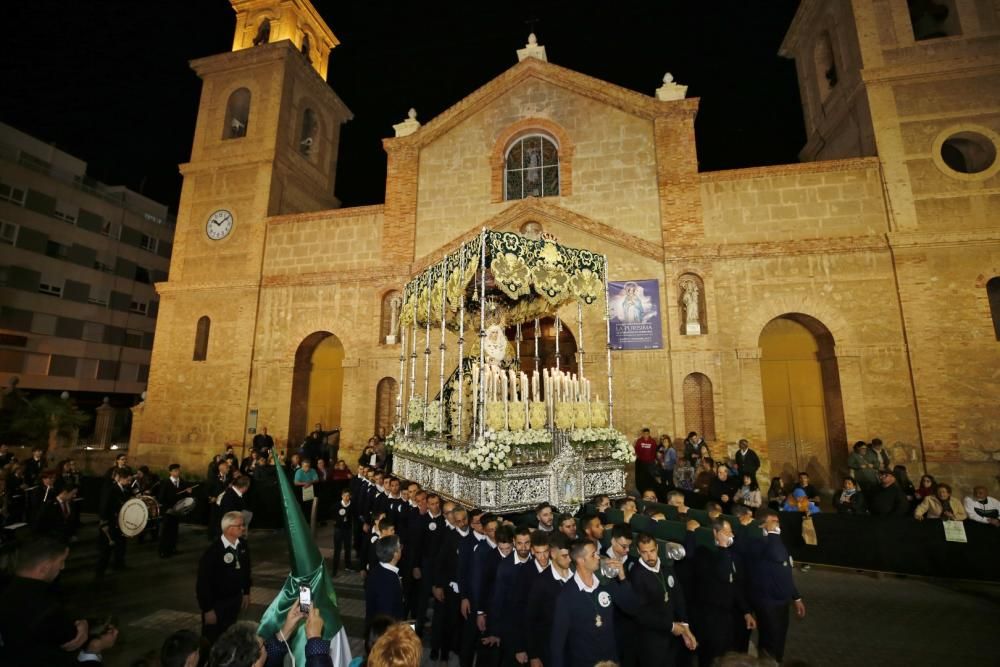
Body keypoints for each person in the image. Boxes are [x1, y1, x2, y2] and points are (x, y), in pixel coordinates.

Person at [0, 536, 103, 665]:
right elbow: (69, 641)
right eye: (61, 561)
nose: (62, 567)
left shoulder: (8, 590)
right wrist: (92, 651)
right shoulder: (45, 608)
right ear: (44, 568)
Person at [549, 538, 637, 667]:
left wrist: (623, 578)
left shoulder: (606, 583)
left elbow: (632, 608)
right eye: (593, 555)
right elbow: (558, 640)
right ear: (581, 560)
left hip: (611, 661)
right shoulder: (566, 595)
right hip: (583, 662)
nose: (598, 557)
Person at [738, 509, 805, 664]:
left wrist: (796, 597)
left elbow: (785, 571)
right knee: (770, 642)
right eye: (773, 522)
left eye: (777, 522)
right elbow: (776, 555)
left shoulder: (778, 543)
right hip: (767, 603)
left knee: (779, 639)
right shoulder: (757, 545)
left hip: (782, 602)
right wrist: (773, 534)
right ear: (762, 525)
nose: (777, 525)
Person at [685, 519, 751, 666]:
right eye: (727, 532)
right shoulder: (703, 552)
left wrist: (746, 611)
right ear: (715, 533)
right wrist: (722, 546)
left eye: (731, 532)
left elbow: (733, 584)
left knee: (726, 654)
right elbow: (722, 574)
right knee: (710, 657)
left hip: (727, 614)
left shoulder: (730, 553)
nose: (731, 535)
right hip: (708, 616)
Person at [630, 532, 696, 667]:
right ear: (638, 551)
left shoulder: (666, 566)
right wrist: (671, 626)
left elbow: (678, 597)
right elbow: (642, 614)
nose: (649, 556)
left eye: (652, 551)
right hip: (651, 641)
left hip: (671, 637)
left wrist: (686, 627)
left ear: (657, 548)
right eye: (644, 552)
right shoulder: (636, 575)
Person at [196, 511, 252, 644]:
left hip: (235, 599)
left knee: (230, 636)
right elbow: (203, 583)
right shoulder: (213, 552)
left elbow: (246, 570)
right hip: (217, 604)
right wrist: (208, 609)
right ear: (229, 528)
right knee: (213, 639)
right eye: (240, 526)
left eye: (243, 525)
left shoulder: (243, 545)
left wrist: (246, 592)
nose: (243, 528)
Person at [527, 533, 573, 667]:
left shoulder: (577, 576)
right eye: (565, 556)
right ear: (553, 554)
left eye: (570, 555)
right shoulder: (540, 582)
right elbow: (530, 620)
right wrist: (534, 655)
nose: (569, 559)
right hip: (550, 650)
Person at [96, 467, 132, 579]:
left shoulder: (124, 489)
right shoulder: (111, 489)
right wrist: (104, 523)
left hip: (119, 522)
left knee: (121, 545)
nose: (129, 482)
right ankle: (100, 572)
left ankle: (119, 564)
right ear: (121, 478)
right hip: (110, 523)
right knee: (106, 549)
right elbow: (103, 507)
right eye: (128, 480)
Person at [366, 534, 405, 632]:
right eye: (399, 546)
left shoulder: (379, 570)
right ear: (395, 554)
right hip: (385, 635)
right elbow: (386, 616)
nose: (402, 548)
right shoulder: (387, 580)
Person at [158, 463, 193, 558]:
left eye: (178, 470)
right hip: (168, 511)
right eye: (175, 471)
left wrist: (189, 493)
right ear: (170, 472)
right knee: (166, 532)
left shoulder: (182, 482)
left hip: (177, 511)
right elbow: (161, 498)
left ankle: (173, 548)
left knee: (174, 531)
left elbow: (185, 497)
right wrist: (167, 509)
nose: (177, 472)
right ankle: (163, 551)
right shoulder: (165, 482)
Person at [332, 488, 356, 576]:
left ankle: (348, 566)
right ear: (342, 496)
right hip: (338, 530)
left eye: (348, 496)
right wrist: (335, 520)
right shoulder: (337, 505)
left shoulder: (352, 505)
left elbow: (355, 514)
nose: (346, 497)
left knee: (347, 548)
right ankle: (334, 569)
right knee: (337, 550)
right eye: (345, 495)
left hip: (348, 530)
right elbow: (331, 513)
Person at [634, 428, 658, 492]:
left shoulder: (652, 441)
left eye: (647, 434)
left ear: (649, 434)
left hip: (650, 462)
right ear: (642, 434)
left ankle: (652, 489)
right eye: (644, 434)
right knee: (643, 476)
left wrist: (654, 459)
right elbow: (637, 450)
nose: (646, 435)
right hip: (642, 462)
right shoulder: (639, 441)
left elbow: (654, 450)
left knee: (651, 476)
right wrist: (639, 457)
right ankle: (644, 489)